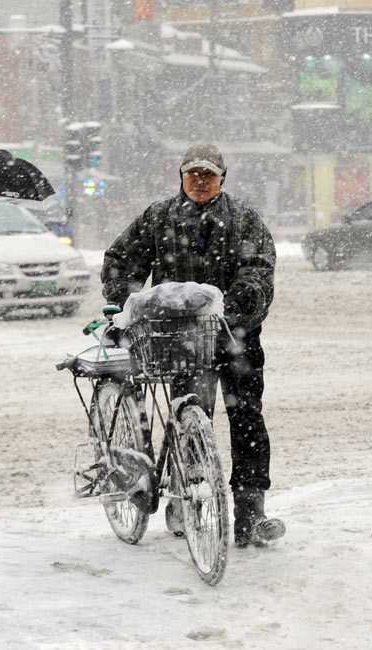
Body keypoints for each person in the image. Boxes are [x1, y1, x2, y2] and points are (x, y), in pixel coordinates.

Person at [101, 143, 286, 547]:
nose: (200, 181)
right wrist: (124, 300)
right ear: (181, 177)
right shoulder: (159, 217)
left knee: (248, 421)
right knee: (189, 421)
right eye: (193, 174)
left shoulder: (243, 219)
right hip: (178, 340)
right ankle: (185, 500)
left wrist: (235, 304)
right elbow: (121, 260)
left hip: (235, 337)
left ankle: (251, 514)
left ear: (222, 178)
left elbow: (259, 271)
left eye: (209, 175)